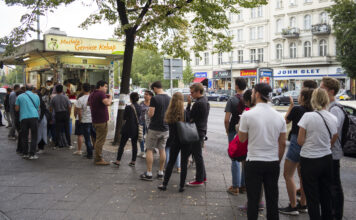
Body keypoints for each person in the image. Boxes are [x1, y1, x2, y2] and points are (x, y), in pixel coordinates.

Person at [238, 83, 287, 220]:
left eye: (253, 92)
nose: (252, 94)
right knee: (272, 199)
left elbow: (242, 139)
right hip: (272, 161)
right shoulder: (279, 116)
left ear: (258, 94)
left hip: (253, 161)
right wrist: (278, 160)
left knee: (253, 200)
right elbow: (282, 143)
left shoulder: (248, 115)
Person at [297, 88, 338, 220]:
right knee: (326, 194)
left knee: (312, 197)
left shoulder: (307, 117)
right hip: (326, 158)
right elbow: (334, 136)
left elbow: (300, 141)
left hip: (309, 160)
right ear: (326, 100)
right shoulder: (332, 117)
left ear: (313, 100)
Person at [279, 88, 313, 216]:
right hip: (308, 144)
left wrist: (291, 106)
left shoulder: (297, 109)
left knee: (288, 174)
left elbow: (285, 121)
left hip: (295, 142)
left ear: (303, 98)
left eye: (300, 95)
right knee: (303, 176)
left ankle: (293, 206)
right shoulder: (313, 111)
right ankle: (303, 204)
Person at [320, 77, 344, 220]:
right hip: (330, 152)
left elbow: (334, 134)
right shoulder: (330, 107)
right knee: (329, 186)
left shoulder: (335, 109)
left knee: (334, 186)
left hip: (332, 153)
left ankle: (335, 215)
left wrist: (326, 147)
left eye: (322, 88)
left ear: (331, 91)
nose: (319, 90)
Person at [157, 92, 188, 192]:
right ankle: (182, 186)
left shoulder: (170, 113)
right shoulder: (184, 112)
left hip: (174, 140)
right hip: (184, 140)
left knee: (171, 162)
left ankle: (165, 184)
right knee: (183, 163)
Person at [140, 81, 171, 181]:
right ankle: (161, 172)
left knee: (149, 149)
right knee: (162, 149)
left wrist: (148, 111)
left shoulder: (155, 98)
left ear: (154, 88)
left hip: (154, 128)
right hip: (165, 128)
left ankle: (149, 173)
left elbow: (151, 114)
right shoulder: (169, 98)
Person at [225, 77, 247, 195]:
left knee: (234, 157)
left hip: (234, 130)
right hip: (245, 131)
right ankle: (244, 185)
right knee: (244, 157)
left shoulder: (232, 100)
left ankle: (235, 186)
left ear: (237, 86)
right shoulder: (248, 98)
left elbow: (226, 119)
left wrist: (228, 131)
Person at [185, 83, 210, 187]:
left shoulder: (198, 103)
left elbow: (188, 117)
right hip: (201, 130)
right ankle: (202, 176)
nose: (191, 94)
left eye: (192, 92)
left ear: (198, 91)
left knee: (197, 155)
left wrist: (188, 105)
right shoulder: (205, 101)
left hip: (196, 131)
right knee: (197, 155)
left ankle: (199, 179)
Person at [112, 92, 141, 167]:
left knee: (122, 145)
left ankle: (118, 161)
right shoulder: (140, 107)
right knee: (134, 145)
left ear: (130, 99)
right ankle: (133, 161)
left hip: (127, 128)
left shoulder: (128, 107)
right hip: (136, 128)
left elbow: (124, 117)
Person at [88, 80, 112, 165]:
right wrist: (110, 97)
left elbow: (88, 104)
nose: (106, 88)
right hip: (101, 121)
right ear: (100, 86)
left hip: (95, 120)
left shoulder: (92, 94)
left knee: (98, 139)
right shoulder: (100, 93)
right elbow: (108, 103)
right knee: (100, 140)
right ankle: (98, 159)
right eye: (105, 86)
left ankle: (98, 157)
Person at [15, 84, 40, 160]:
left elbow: (16, 109)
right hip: (34, 117)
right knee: (34, 136)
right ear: (32, 89)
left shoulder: (20, 96)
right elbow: (38, 107)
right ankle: (32, 154)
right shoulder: (36, 96)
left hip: (24, 118)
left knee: (24, 136)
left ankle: (25, 153)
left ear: (25, 89)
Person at [76, 83, 96, 159]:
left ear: (82, 89)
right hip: (93, 120)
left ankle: (90, 154)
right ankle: (97, 152)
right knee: (95, 137)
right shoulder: (93, 98)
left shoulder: (80, 99)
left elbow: (79, 113)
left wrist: (80, 121)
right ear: (90, 89)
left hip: (85, 121)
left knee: (87, 138)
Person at [50, 84, 72, 149]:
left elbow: (51, 108)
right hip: (65, 114)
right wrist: (69, 114)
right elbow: (69, 107)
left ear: (56, 90)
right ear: (62, 90)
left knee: (57, 130)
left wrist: (52, 114)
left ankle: (56, 144)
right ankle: (69, 144)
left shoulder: (54, 98)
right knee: (67, 129)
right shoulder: (66, 97)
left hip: (57, 114)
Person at [138, 90, 153, 158]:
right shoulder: (141, 103)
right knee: (141, 137)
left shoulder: (153, 104)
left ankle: (148, 151)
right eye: (144, 94)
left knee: (149, 138)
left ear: (150, 96)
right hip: (141, 122)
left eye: (147, 94)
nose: (145, 96)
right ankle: (142, 151)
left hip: (150, 124)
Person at [36, 90, 49, 154]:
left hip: (42, 121)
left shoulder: (41, 103)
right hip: (39, 120)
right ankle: (39, 148)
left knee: (41, 134)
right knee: (39, 134)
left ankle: (41, 148)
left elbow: (43, 111)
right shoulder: (39, 102)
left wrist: (39, 119)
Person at [73, 90, 84, 155]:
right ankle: (91, 149)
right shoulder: (89, 100)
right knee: (89, 135)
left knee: (80, 135)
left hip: (79, 119)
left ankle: (79, 150)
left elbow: (75, 111)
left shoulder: (77, 101)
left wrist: (76, 117)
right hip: (88, 119)